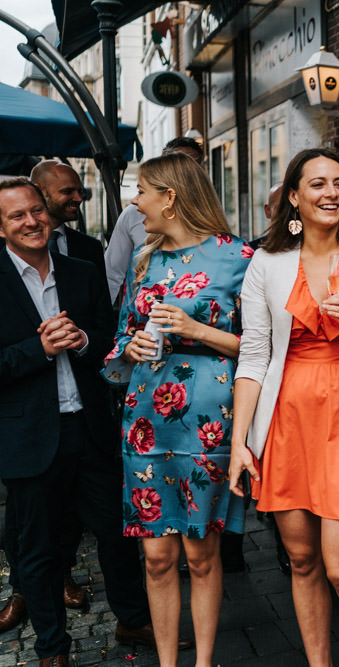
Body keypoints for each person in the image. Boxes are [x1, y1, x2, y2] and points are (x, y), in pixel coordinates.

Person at [227, 148, 339, 667]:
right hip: (288, 419)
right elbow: (254, 355)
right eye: (317, 184)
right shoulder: (267, 262)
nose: (331, 193)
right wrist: (240, 443)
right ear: (293, 197)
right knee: (302, 560)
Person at [102, 152, 251, 667]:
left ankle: (203, 662)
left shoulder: (238, 258)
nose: (134, 202)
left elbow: (264, 348)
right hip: (146, 423)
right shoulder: (144, 258)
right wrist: (130, 348)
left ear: (170, 195)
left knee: (201, 553)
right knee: (158, 555)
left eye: (141, 191)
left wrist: (197, 331)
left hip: (211, 424)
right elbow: (121, 334)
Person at [0, 177, 153, 666]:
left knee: (116, 533)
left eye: (36, 211)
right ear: (0, 227)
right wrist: (37, 350)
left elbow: (112, 343)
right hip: (28, 438)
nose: (31, 221)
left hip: (89, 430)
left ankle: (132, 620)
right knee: (41, 551)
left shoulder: (83, 272)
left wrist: (85, 342)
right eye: (17, 216)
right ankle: (52, 649)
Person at [105, 137, 204, 302]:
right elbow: (112, 274)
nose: (184, 172)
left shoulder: (208, 219)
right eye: (175, 164)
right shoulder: (133, 216)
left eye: (192, 164)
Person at [30, 160, 108, 291]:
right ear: (38, 191)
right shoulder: (10, 246)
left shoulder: (91, 248)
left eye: (79, 191)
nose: (78, 198)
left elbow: (101, 305)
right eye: (67, 191)